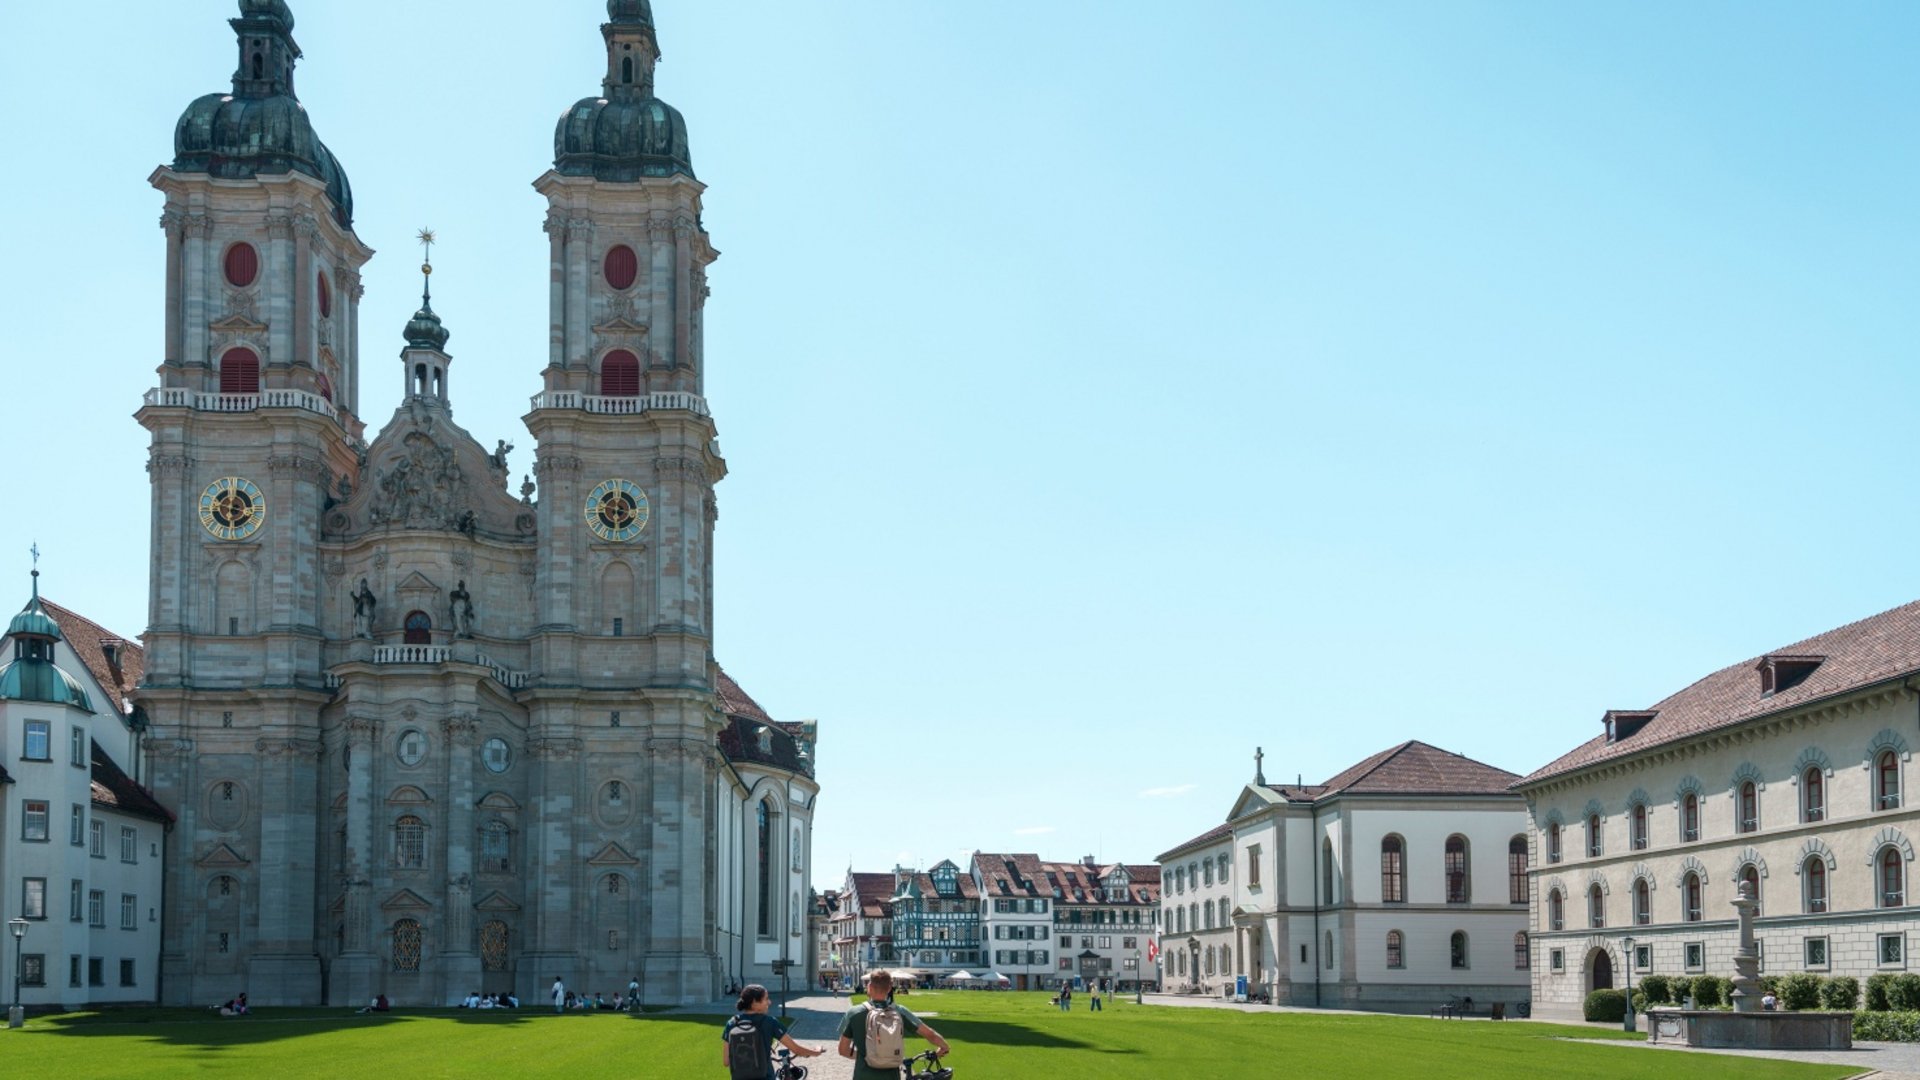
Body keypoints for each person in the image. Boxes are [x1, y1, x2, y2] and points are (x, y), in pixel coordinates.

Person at [839, 971, 949, 1080]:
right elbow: (930, 1034)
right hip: (892, 1076)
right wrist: (944, 1047)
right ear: (889, 988)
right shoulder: (899, 1012)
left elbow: (843, 1050)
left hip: (863, 1075)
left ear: (869, 986)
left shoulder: (854, 1013)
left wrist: (870, 1057)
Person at [724, 984, 824, 1080]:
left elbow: (726, 1061)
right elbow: (796, 1049)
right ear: (754, 1002)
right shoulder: (769, 1022)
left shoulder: (731, 1023)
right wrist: (816, 1051)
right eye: (766, 999)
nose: (770, 1002)